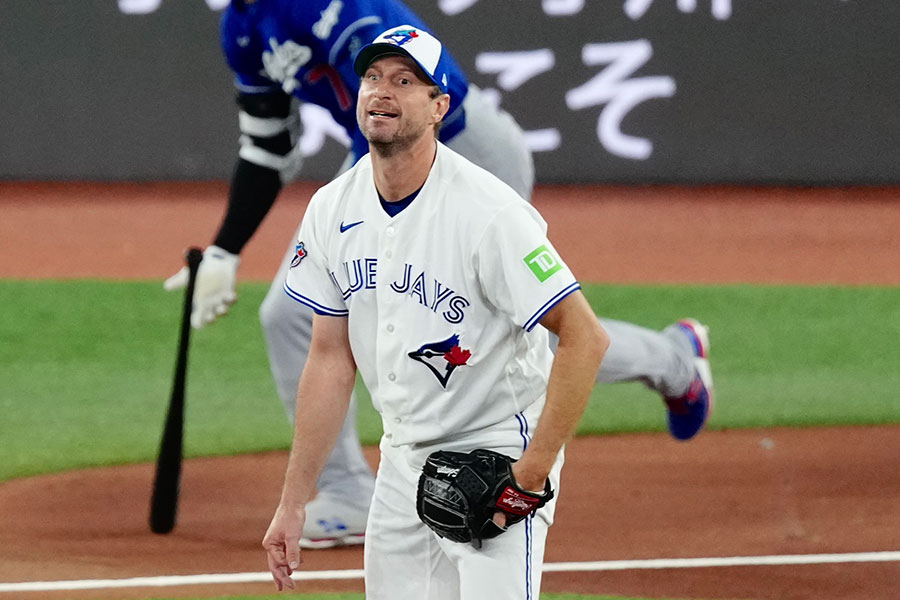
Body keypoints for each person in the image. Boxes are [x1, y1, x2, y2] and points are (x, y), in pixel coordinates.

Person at [165, 0, 714, 549]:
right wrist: (224, 251)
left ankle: (673, 361)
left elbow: (398, 111)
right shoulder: (240, 26)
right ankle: (347, 491)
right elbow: (268, 145)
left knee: (513, 334)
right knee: (290, 313)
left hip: (464, 147)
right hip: (385, 162)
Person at [262, 26, 609, 598]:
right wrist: (294, 501)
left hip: (496, 453)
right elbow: (329, 360)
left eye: (405, 81)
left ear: (439, 106)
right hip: (402, 460)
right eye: (373, 77)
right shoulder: (331, 208)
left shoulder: (490, 213)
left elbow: (585, 336)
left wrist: (530, 475)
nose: (382, 91)